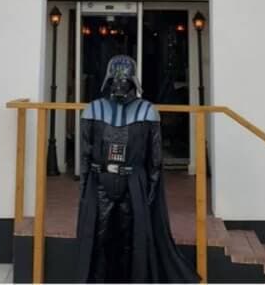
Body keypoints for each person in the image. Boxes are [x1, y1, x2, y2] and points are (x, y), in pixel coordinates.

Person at [75, 55, 198, 283]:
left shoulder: (147, 111)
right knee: (98, 241)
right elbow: (85, 154)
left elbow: (155, 158)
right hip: (100, 182)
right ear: (109, 81)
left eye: (124, 80)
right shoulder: (93, 109)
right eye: (115, 80)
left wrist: (150, 190)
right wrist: (85, 189)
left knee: (132, 242)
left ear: (132, 81)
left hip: (133, 185)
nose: (119, 85)